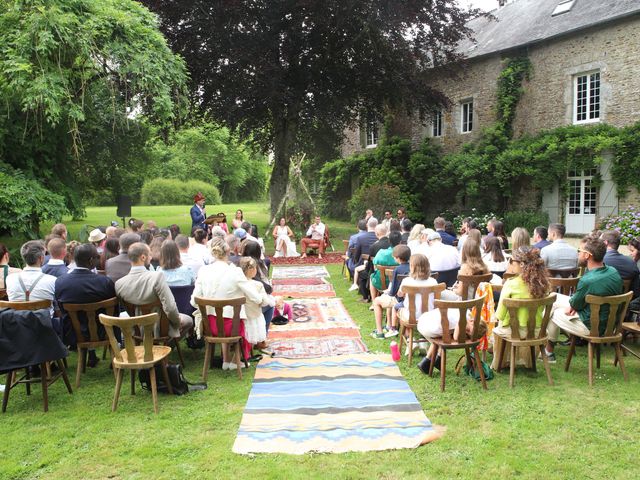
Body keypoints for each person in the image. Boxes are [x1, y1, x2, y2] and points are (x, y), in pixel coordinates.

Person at [545, 236, 623, 362]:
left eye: (579, 251)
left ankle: (547, 352)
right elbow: (575, 304)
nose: (578, 254)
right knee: (553, 298)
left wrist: (573, 307)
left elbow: (574, 305)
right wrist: (573, 306)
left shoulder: (587, 281)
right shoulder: (613, 272)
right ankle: (544, 348)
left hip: (591, 326)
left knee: (552, 311)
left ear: (587, 255)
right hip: (609, 323)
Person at [190, 238, 262, 369]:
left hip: (210, 326)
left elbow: (193, 300)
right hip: (231, 327)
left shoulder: (203, 271)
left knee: (226, 315)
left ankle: (226, 360)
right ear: (228, 251)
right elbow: (256, 297)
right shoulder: (235, 272)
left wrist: (207, 305)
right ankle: (235, 361)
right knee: (247, 318)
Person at [116, 242, 193, 338]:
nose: (151, 258)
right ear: (143, 257)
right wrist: (176, 323)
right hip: (159, 328)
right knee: (189, 320)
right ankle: (168, 346)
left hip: (137, 329)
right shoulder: (157, 277)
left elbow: (128, 311)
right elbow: (170, 307)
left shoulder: (119, 284)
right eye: (150, 255)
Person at [490, 246, 551, 368]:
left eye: (512, 261)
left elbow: (500, 315)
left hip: (514, 331)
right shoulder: (543, 284)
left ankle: (502, 363)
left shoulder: (511, 284)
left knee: (500, 328)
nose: (510, 264)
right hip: (537, 331)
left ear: (522, 264)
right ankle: (527, 362)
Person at [55, 244, 116, 361]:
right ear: (91, 260)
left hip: (73, 333)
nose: (99, 259)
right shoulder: (104, 282)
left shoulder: (61, 282)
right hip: (103, 330)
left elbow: (62, 310)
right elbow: (114, 310)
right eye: (97, 257)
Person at [373, 253, 438, 340]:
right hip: (429, 314)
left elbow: (400, 294)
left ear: (412, 267)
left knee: (400, 308)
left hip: (411, 316)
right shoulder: (433, 281)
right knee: (405, 307)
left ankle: (398, 332)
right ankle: (410, 338)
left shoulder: (407, 281)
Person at [6, 241, 58, 328]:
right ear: (41, 258)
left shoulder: (10, 279)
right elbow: (57, 309)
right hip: (44, 330)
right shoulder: (52, 280)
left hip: (17, 329)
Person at [370, 245, 411, 338]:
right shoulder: (413, 268)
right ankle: (389, 326)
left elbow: (393, 292)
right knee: (388, 300)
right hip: (411, 299)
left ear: (398, 258)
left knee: (376, 301)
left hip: (401, 299)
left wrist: (387, 292)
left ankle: (379, 332)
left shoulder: (398, 269)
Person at [239, 257, 274, 356]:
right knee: (270, 306)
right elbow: (264, 302)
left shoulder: (236, 284)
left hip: (239, 316)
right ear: (252, 270)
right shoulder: (257, 285)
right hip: (253, 317)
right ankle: (261, 341)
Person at [241, 241, 275, 330]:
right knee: (269, 305)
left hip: (241, 302)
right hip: (252, 305)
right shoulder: (258, 266)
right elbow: (263, 294)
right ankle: (263, 334)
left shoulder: (239, 263)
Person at [601, 230, 639, 298]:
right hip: (623, 306)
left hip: (598, 306)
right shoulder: (632, 263)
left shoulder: (597, 261)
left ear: (605, 242)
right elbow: (636, 292)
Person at [369, 230, 402, 302]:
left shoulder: (381, 253)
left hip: (381, 283)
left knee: (371, 276)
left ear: (389, 241)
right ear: (400, 242)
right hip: (398, 284)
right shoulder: (403, 254)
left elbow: (374, 264)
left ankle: (374, 301)